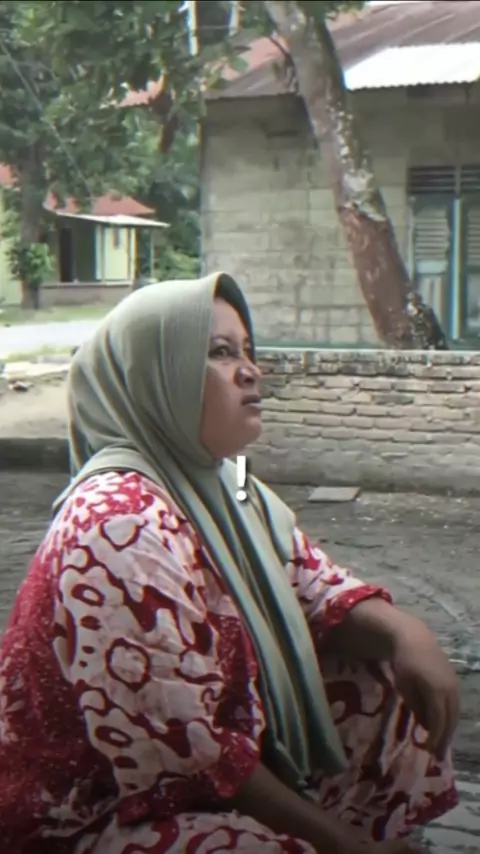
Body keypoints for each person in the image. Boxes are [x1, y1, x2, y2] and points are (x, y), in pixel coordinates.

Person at [0, 273, 460, 854]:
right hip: (89, 811)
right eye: (219, 352)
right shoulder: (118, 521)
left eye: (246, 350)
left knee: (382, 670)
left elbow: (310, 582)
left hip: (210, 756)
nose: (249, 370)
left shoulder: (230, 480)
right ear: (154, 377)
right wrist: (348, 849)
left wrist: (406, 635)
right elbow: (189, 755)